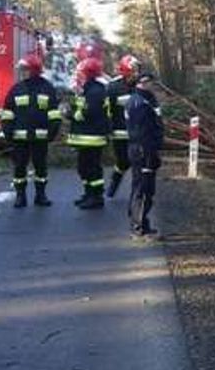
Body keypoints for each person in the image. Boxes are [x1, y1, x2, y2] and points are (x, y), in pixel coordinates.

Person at [0, 53, 61, 207]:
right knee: (19, 167)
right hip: (19, 138)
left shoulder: (47, 88)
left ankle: (41, 196)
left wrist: (53, 131)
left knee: (41, 167)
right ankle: (20, 196)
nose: (22, 73)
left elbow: (54, 113)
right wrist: (7, 131)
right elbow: (8, 112)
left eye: (25, 69)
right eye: (22, 70)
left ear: (34, 70)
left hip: (40, 138)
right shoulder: (16, 89)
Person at [66, 57, 109, 209]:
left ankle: (96, 197)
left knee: (92, 168)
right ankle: (89, 193)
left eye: (80, 73)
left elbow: (86, 113)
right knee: (83, 167)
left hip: (92, 137)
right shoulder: (88, 89)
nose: (78, 76)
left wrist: (68, 114)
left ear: (88, 74)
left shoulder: (95, 91)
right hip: (86, 137)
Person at [125, 72, 163, 239]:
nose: (153, 86)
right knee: (143, 187)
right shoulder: (139, 103)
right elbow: (143, 131)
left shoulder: (142, 100)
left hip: (142, 149)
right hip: (143, 150)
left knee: (143, 187)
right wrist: (149, 152)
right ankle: (138, 227)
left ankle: (141, 224)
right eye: (151, 83)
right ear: (143, 83)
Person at [105, 55, 141, 198]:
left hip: (138, 133)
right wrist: (107, 128)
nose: (136, 74)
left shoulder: (141, 86)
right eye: (133, 71)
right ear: (126, 71)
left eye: (137, 70)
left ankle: (138, 192)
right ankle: (113, 185)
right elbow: (106, 110)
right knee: (123, 162)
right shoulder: (113, 87)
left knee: (139, 162)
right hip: (120, 132)